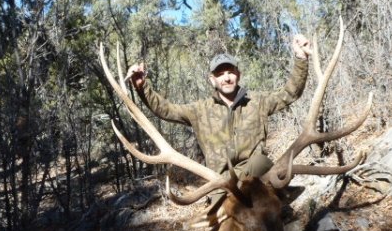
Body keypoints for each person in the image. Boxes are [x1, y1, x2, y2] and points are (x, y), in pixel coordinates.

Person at [127, 35, 311, 180]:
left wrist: (301, 58)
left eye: (231, 72)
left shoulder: (258, 101)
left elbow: (291, 92)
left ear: (238, 74)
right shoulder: (199, 110)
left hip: (257, 177)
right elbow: (165, 109)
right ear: (212, 79)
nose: (227, 77)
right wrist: (143, 88)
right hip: (221, 182)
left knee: (268, 177)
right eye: (220, 74)